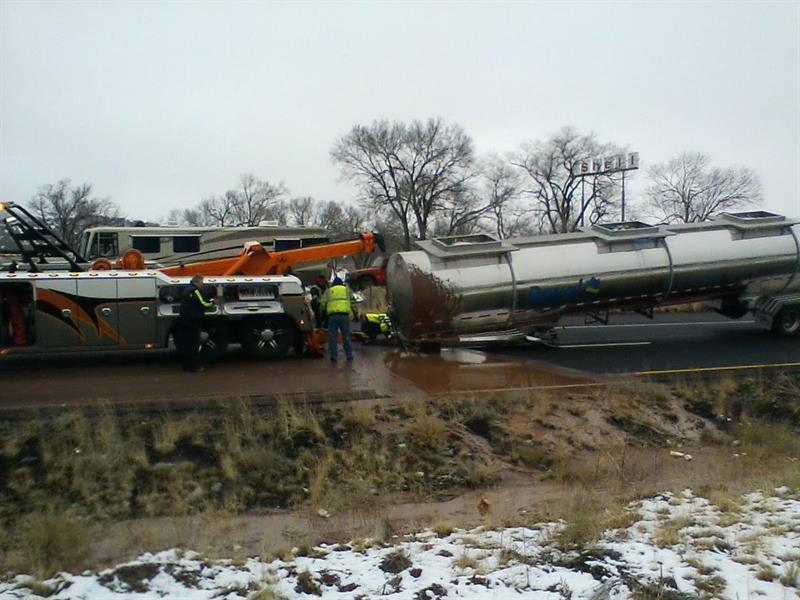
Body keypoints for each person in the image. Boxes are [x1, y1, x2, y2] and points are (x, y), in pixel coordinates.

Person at [175, 274, 215, 372]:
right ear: (197, 282)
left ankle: (186, 365)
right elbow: (203, 303)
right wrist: (213, 302)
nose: (202, 284)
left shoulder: (187, 290)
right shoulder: (195, 291)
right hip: (193, 321)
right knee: (194, 344)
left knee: (186, 344)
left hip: (185, 320)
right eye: (202, 282)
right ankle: (193, 367)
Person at [319, 276, 356, 363]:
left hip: (332, 316)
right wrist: (356, 313)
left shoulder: (328, 291)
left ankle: (334, 357)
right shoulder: (346, 290)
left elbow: (322, 304)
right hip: (344, 316)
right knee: (346, 336)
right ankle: (349, 355)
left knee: (332, 337)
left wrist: (321, 315)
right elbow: (353, 303)